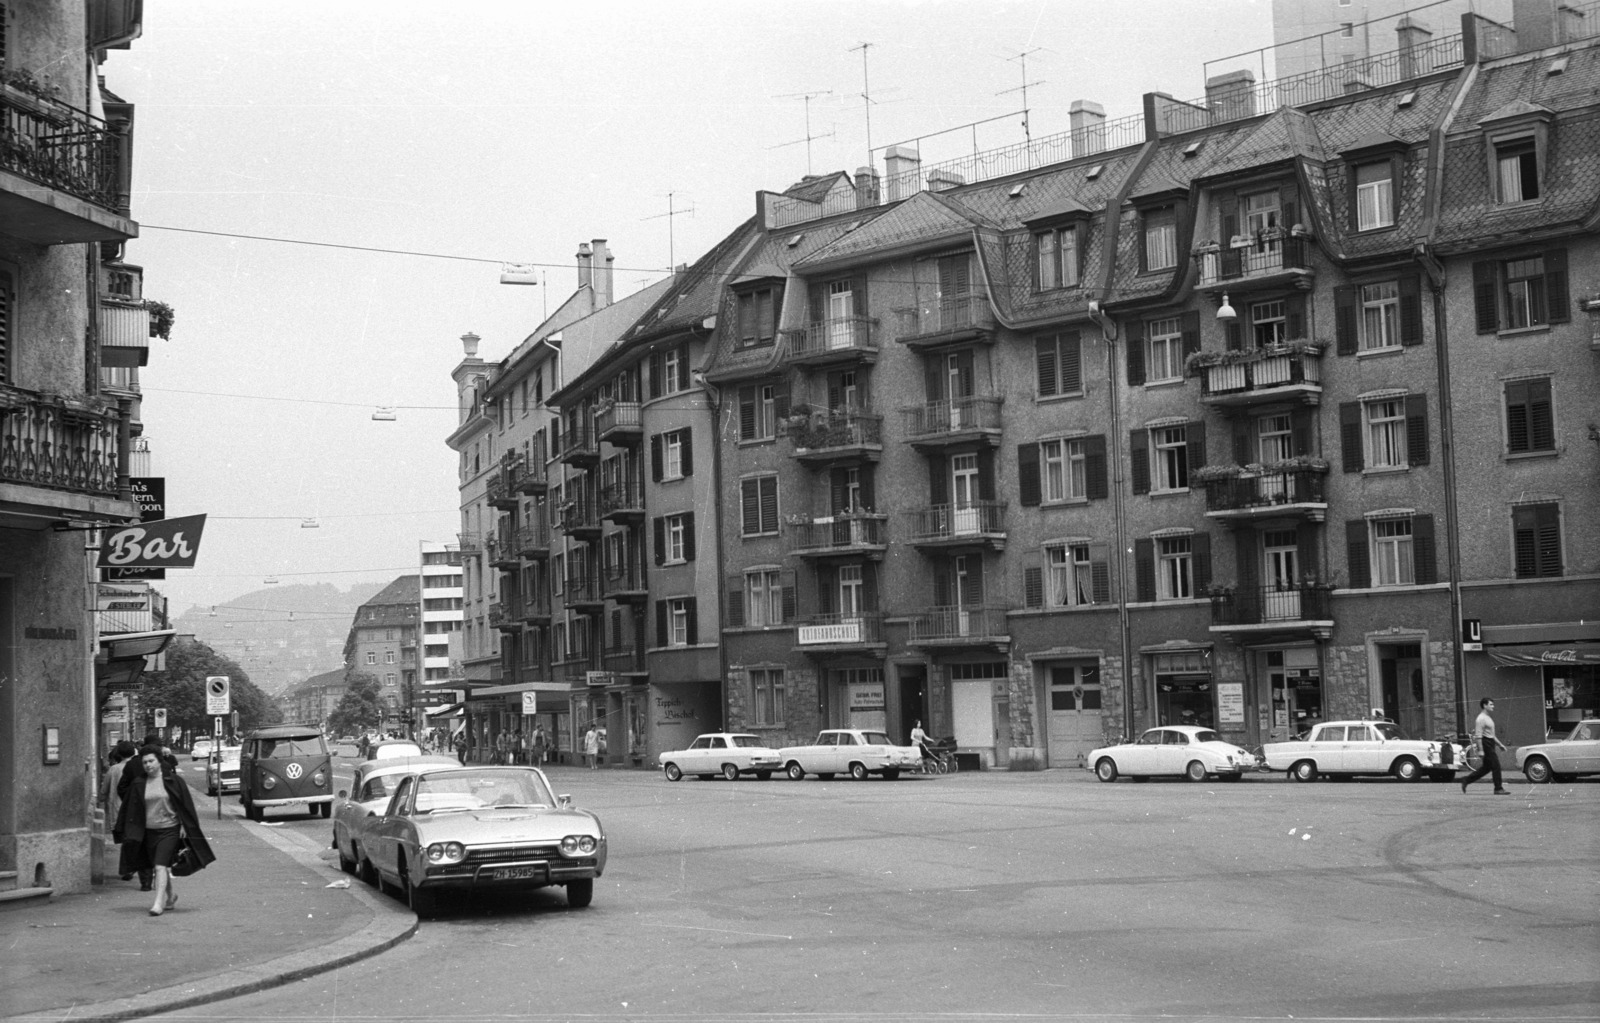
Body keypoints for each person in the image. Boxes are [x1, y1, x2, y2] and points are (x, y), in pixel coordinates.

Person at [115, 745, 215, 916]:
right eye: (145, 762)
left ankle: (157, 904)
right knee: (158, 865)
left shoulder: (174, 781)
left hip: (170, 829)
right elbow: (130, 808)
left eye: (151, 761)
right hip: (148, 831)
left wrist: (184, 825)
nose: (148, 765)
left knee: (160, 866)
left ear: (159, 762)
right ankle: (171, 896)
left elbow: (185, 806)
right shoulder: (139, 783)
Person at [103, 740, 139, 881]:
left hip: (118, 810)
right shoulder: (138, 766)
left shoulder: (114, 769)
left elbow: (103, 790)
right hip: (136, 810)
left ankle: (128, 868)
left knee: (126, 841)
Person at [1460, 697, 1511, 794]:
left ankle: (1466, 780)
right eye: (1491, 704)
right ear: (1484, 705)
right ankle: (1498, 788)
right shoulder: (1481, 719)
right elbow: (1478, 736)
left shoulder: (1488, 718)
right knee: (1496, 765)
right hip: (1485, 743)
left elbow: (1492, 735)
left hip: (1490, 742)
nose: (1493, 706)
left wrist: (1500, 745)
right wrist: (1481, 750)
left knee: (1486, 768)